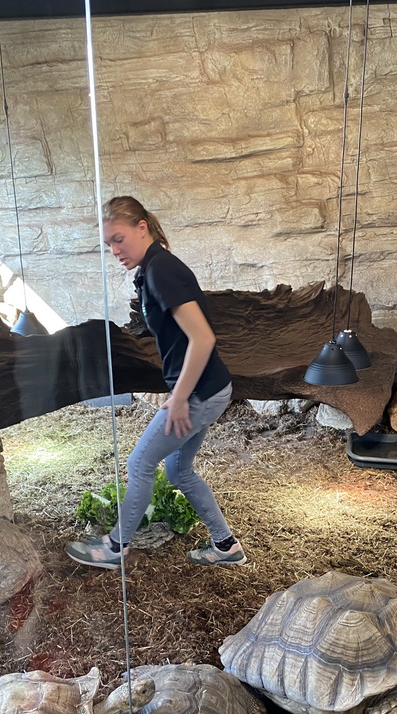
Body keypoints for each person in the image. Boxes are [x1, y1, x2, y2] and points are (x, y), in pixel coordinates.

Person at [66, 196, 246, 570]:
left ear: (141, 227)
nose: (115, 250)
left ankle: (116, 548)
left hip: (200, 393)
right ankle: (225, 545)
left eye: (119, 238)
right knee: (178, 471)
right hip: (209, 389)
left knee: (140, 464)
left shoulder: (161, 269)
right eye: (108, 244)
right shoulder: (151, 268)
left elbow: (203, 339)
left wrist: (179, 398)